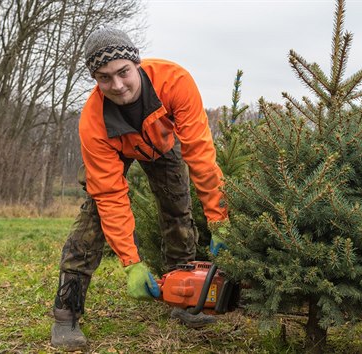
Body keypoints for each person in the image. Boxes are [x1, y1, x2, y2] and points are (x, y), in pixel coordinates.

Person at [50, 26, 230, 351]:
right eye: (105, 78)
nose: (117, 86)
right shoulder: (93, 122)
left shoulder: (174, 82)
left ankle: (183, 299)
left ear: (137, 64)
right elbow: (110, 196)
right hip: (116, 149)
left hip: (162, 144)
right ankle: (66, 315)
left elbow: (200, 155)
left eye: (123, 73)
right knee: (91, 223)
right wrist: (131, 262)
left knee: (178, 211)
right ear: (95, 79)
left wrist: (219, 218)